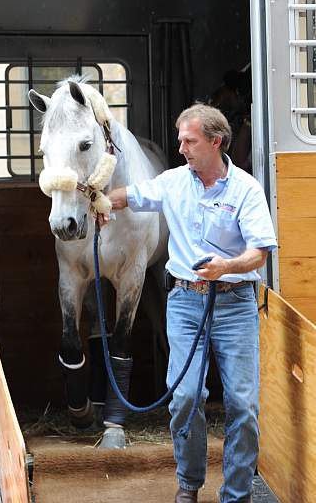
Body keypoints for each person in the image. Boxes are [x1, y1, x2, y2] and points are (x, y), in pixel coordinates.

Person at [100, 103, 277, 503]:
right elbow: (129, 195)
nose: (181, 147)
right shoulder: (173, 181)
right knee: (185, 398)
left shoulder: (246, 188)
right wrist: (97, 203)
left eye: (189, 140)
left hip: (235, 306)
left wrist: (227, 265)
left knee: (243, 406)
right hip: (183, 302)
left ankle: (235, 493)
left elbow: (260, 253)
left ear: (216, 142)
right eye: (180, 139)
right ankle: (190, 483)